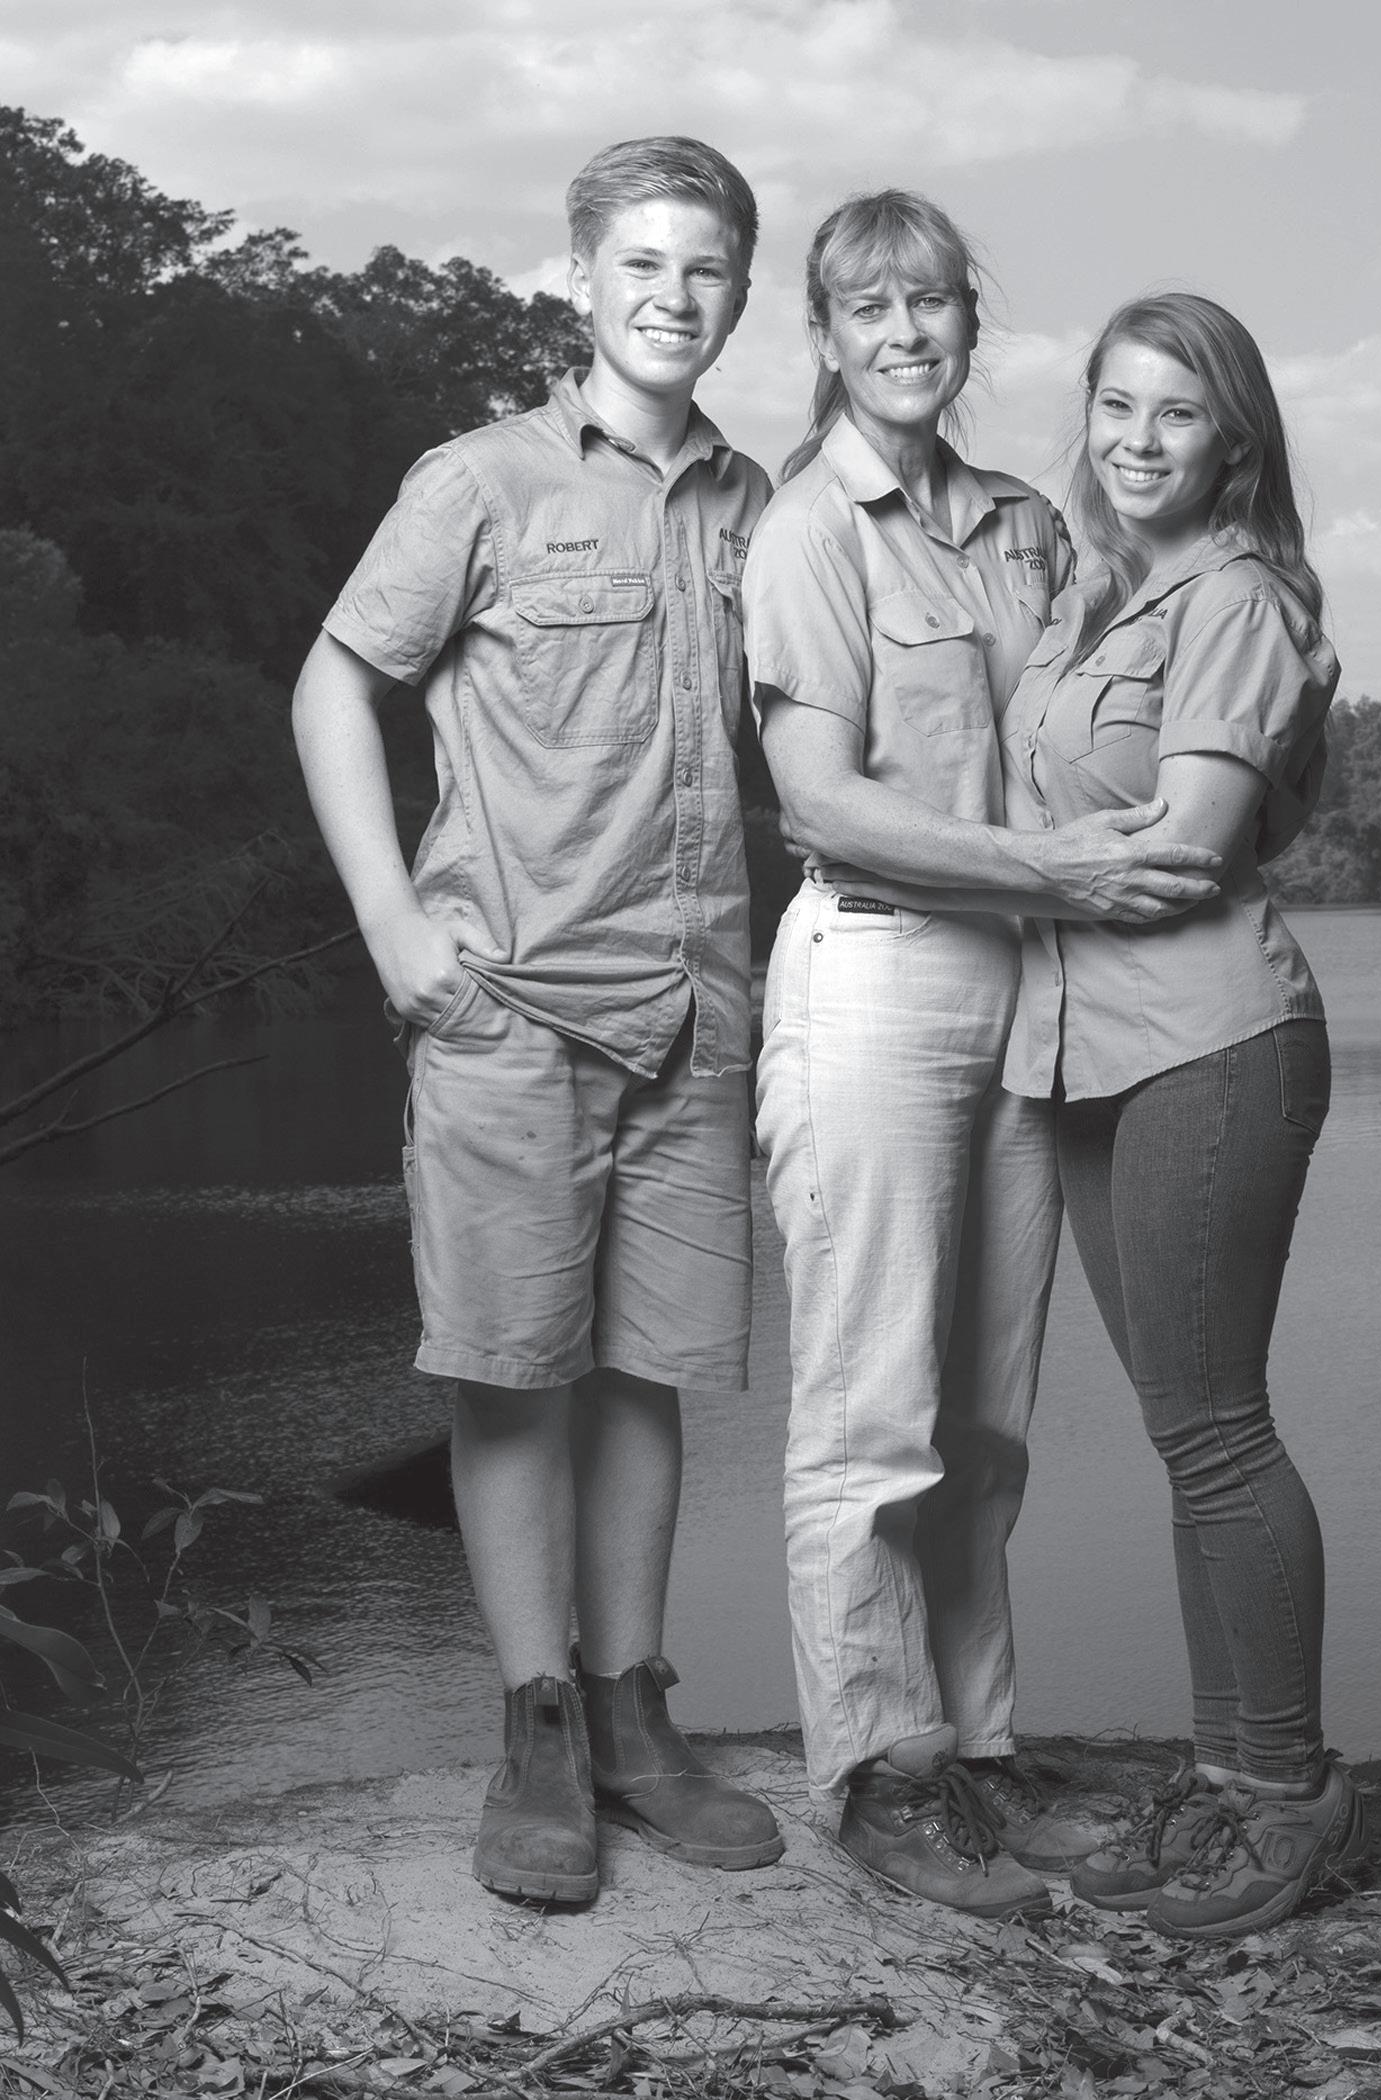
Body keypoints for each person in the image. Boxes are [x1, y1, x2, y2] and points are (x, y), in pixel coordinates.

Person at [290, 137, 783, 1906]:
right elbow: (335, 684)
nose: (673, 295)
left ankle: (637, 1713)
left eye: (706, 267)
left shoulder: (757, 503)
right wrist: (388, 921)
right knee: (512, 1377)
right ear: (580, 279)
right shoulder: (480, 482)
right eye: (642, 262)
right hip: (508, 1007)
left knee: (650, 1375)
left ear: (741, 292)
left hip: (695, 1013)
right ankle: (539, 1730)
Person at [742, 195, 1221, 1920]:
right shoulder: (808, 529)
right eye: (869, 307)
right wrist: (1055, 870)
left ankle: (981, 1749)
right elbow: (820, 802)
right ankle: (879, 1773)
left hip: (1027, 985)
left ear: (967, 321)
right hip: (875, 976)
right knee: (868, 1412)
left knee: (986, 1420)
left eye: (932, 302)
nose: (906, 334)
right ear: (825, 333)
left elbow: (1107, 717)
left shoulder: (1026, 524)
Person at [996, 291, 1364, 1939]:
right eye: (1117, 407)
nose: (1139, 441)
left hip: (1213, 1046)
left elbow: (1191, 848)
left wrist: (965, 867)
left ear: (1235, 442)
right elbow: (1089, 826)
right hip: (1091, 1054)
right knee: (1182, 1436)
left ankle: (1290, 1795)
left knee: (1219, 1429)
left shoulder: (1237, 603)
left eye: (1178, 412)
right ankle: (1221, 1779)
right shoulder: (1096, 602)